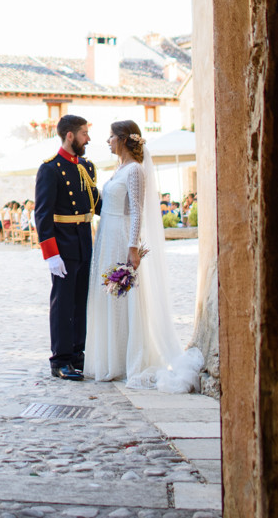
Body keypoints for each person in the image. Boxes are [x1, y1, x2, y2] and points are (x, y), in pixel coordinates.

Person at [82, 119, 204, 392]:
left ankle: (129, 359)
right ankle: (110, 357)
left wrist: (132, 247)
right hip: (106, 236)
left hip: (121, 237)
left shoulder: (135, 170)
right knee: (108, 296)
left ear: (124, 139)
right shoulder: (119, 168)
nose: (108, 141)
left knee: (123, 297)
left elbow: (137, 211)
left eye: (111, 136)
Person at [34, 114, 99, 380]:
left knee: (80, 300)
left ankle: (77, 353)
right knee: (62, 303)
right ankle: (60, 359)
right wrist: (51, 254)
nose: (88, 139)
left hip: (84, 240)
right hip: (63, 244)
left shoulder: (86, 167)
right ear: (70, 135)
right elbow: (42, 214)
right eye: (84, 133)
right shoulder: (50, 169)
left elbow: (96, 203)